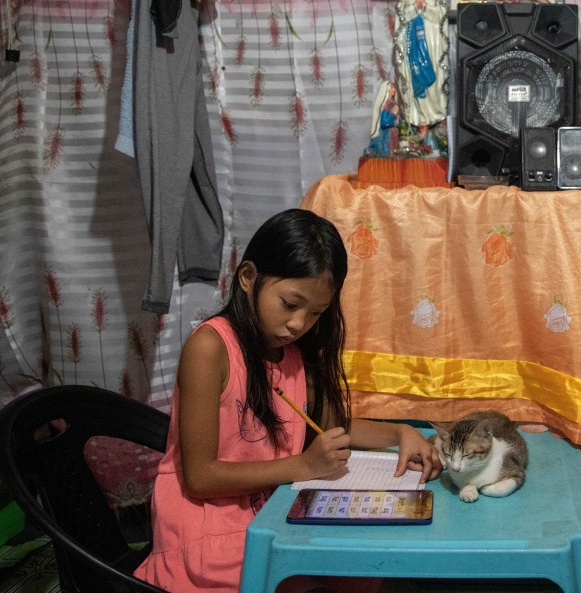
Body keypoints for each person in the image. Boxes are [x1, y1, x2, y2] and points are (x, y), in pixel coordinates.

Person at [134, 209, 442, 592]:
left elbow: (334, 428)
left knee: (370, 567)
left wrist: (400, 433)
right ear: (248, 278)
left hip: (273, 515)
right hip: (210, 533)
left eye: (315, 313)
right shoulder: (209, 348)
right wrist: (303, 465)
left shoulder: (293, 353)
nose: (299, 324)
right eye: (290, 304)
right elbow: (199, 477)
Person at [394, 0, 449, 151]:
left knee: (433, 85)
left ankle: (435, 118)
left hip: (432, 48)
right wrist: (413, 9)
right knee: (414, 81)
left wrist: (424, 8)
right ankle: (419, 120)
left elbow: (442, 19)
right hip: (413, 49)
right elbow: (400, 20)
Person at [366, 81, 399, 157]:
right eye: (392, 88)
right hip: (386, 135)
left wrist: (398, 122)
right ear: (387, 90)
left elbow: (396, 120)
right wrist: (392, 114)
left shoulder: (393, 103)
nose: (394, 89)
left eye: (394, 88)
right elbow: (384, 122)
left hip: (393, 134)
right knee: (386, 155)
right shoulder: (386, 104)